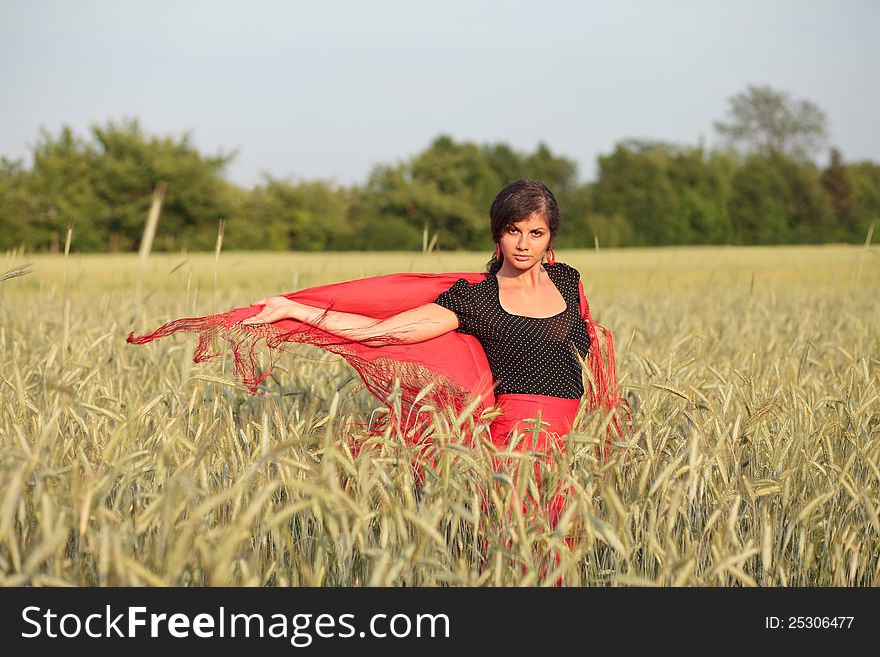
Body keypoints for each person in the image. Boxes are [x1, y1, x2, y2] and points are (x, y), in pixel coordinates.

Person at [127, 179, 630, 527]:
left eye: (535, 232)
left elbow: (590, 344)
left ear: (551, 237)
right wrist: (295, 311)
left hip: (570, 444)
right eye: (512, 231)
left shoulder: (569, 280)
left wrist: (607, 417)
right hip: (514, 446)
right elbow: (383, 333)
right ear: (497, 234)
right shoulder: (475, 299)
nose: (523, 243)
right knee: (518, 546)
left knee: (564, 547)